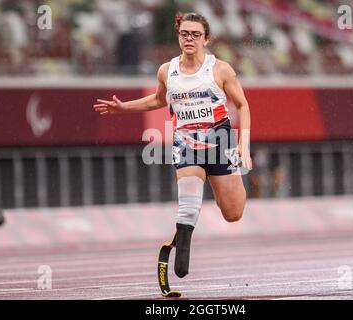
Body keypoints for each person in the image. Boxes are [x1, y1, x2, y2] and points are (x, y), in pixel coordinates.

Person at [93, 12, 252, 295]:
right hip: (186, 143)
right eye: (184, 33)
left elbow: (243, 106)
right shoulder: (167, 70)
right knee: (187, 207)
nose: (189, 39)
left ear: (206, 39)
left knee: (233, 213)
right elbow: (158, 99)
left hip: (220, 141)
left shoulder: (221, 70)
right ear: (178, 35)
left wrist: (243, 146)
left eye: (195, 34)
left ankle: (220, 186)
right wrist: (124, 107)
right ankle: (181, 260)